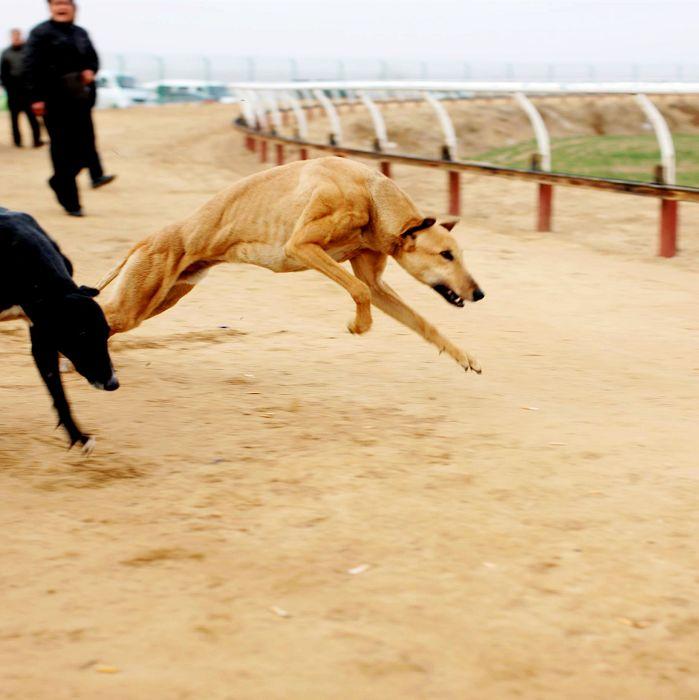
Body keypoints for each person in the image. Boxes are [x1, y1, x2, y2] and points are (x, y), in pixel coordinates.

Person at [24, 0, 115, 217]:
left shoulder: (81, 33)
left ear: (74, 8)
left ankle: (58, 181)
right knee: (62, 150)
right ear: (50, 7)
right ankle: (71, 202)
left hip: (80, 99)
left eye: (65, 3)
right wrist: (36, 98)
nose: (61, 7)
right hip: (53, 100)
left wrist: (90, 70)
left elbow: (93, 59)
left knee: (85, 148)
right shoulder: (40, 33)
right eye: (56, 3)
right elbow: (30, 66)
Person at [0, 29, 43, 148]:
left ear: (21, 36)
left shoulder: (29, 50)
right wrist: (6, 86)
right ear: (11, 38)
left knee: (32, 117)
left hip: (28, 91)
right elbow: (3, 72)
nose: (16, 38)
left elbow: (35, 68)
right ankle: (17, 141)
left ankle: (37, 140)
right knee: (14, 119)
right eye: (14, 37)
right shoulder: (6, 53)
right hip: (13, 91)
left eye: (18, 36)